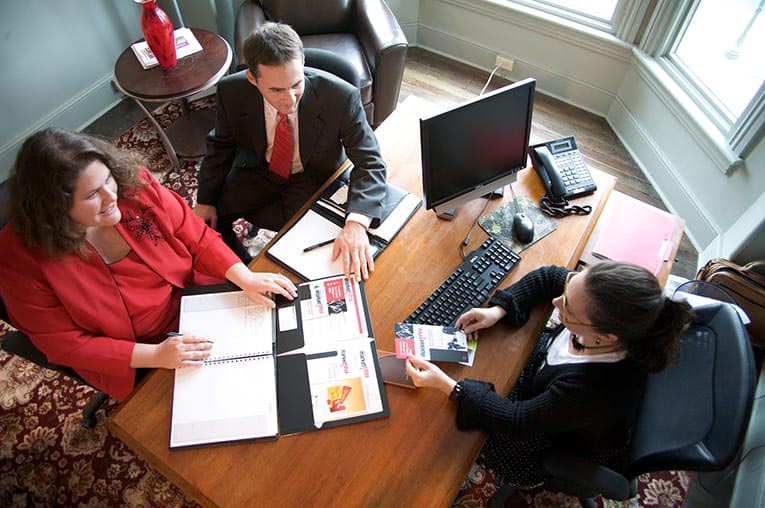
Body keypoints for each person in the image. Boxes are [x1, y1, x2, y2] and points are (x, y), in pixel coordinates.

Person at [0, 128, 298, 401]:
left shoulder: (133, 184)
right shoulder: (19, 258)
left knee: (278, 358)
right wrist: (157, 355)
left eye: (107, 180)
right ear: (55, 209)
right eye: (92, 195)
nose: (110, 196)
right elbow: (65, 344)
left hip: (194, 298)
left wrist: (245, 277)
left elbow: (194, 235)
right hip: (134, 352)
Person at [405, 262, 693, 504]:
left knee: (445, 434)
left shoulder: (593, 390)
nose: (557, 302)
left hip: (553, 440)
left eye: (567, 307)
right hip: (550, 396)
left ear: (606, 337)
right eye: (569, 290)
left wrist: (448, 386)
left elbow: (518, 421)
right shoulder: (607, 309)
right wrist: (498, 311)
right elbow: (550, 277)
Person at [193, 22, 387, 280]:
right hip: (258, 169)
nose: (290, 99)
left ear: (303, 62)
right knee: (206, 223)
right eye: (276, 90)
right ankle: (249, 269)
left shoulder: (341, 97)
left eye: (296, 84)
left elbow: (370, 162)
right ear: (252, 78)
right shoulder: (232, 91)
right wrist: (205, 200)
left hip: (312, 176)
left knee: (316, 247)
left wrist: (355, 223)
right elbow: (221, 145)